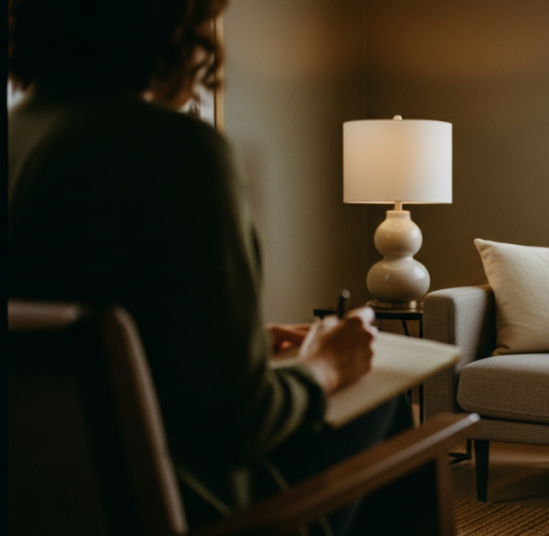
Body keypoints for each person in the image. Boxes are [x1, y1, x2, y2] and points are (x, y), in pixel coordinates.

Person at [7, 1, 426, 533]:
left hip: (47, 506)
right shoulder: (177, 152)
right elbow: (237, 426)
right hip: (195, 506)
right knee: (385, 396)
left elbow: (91, 356)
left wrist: (237, 347)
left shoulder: (19, 137)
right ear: (174, 25)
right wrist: (325, 367)